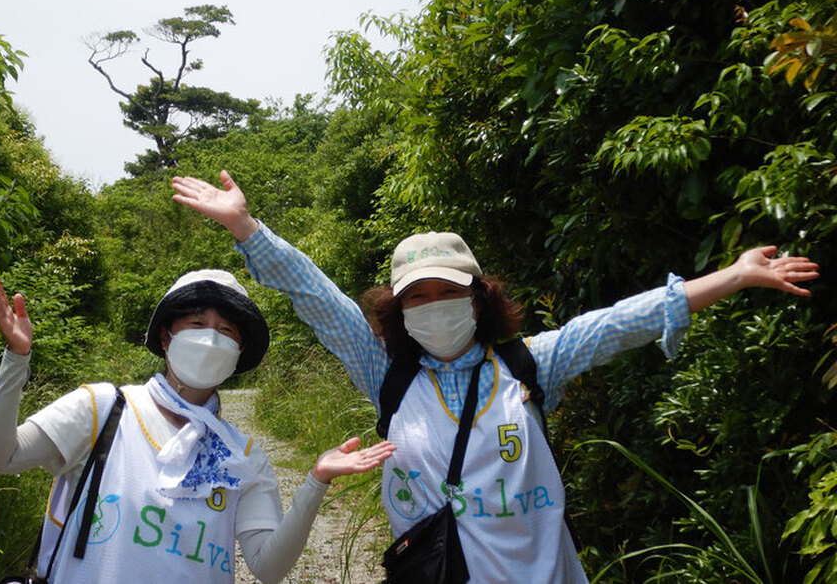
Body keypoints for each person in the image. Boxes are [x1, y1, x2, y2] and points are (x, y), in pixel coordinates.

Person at [171, 170, 820, 584]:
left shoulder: (529, 363)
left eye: (445, 292)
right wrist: (245, 227)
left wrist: (734, 275)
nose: (432, 307)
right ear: (398, 311)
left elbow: (627, 321)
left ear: (478, 297)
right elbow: (319, 299)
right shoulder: (387, 378)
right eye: (415, 298)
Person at [0, 268, 395, 584]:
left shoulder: (244, 456)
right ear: (165, 337)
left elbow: (267, 567)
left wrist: (315, 481)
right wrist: (17, 359)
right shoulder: (104, 408)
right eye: (196, 325)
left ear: (238, 355)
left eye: (226, 331)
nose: (211, 339)